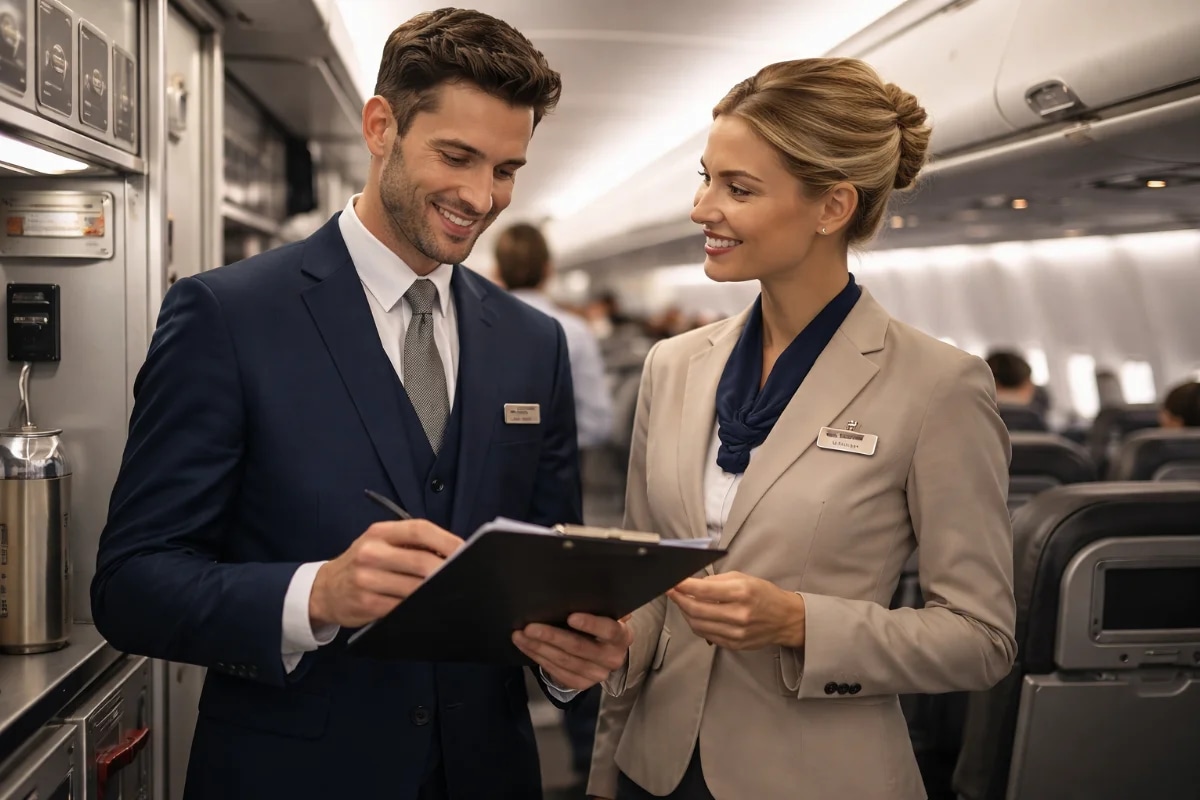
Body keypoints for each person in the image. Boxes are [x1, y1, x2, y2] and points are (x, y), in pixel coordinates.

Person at [91, 9, 629, 800]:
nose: (482, 197)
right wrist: (316, 594)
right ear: (382, 127)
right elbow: (132, 585)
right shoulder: (228, 317)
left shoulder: (531, 341)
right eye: (457, 156)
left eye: (507, 169)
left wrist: (566, 660)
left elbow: (546, 573)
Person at [586, 58, 1017, 800]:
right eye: (706, 177)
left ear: (832, 207)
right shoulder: (674, 365)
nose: (700, 208)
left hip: (816, 776)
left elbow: (981, 641)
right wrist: (616, 652)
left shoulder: (936, 386)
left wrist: (799, 622)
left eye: (737, 188)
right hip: (652, 770)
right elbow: (647, 584)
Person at [495, 223, 614, 449]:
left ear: (497, 271)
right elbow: (597, 424)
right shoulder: (576, 332)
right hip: (556, 468)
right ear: (548, 269)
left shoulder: (471, 327)